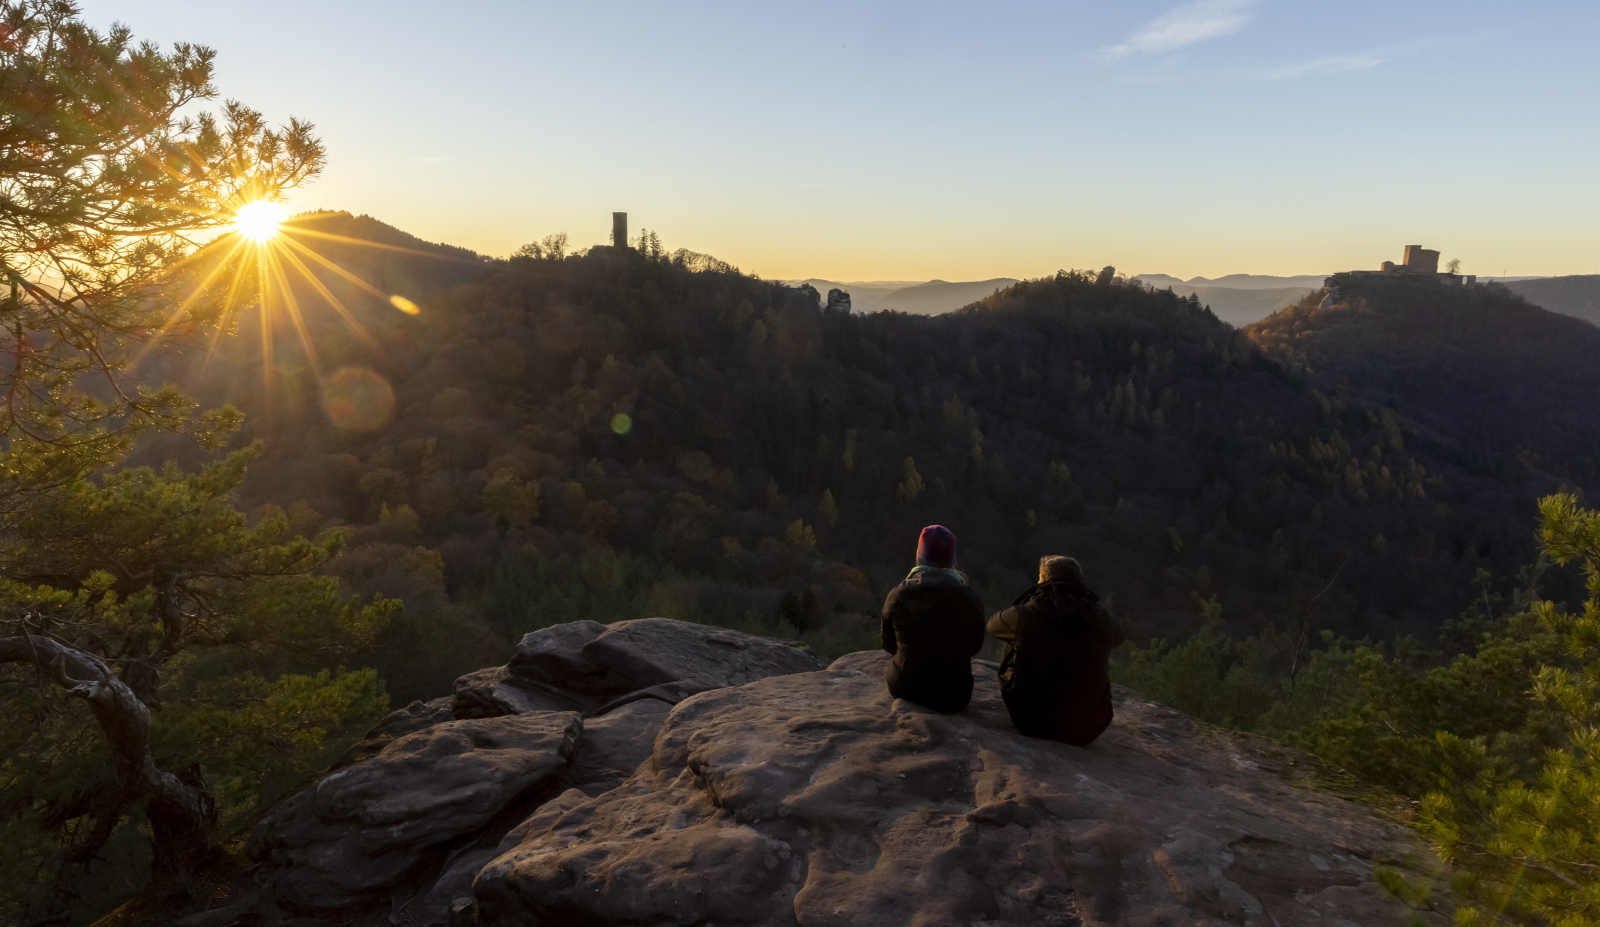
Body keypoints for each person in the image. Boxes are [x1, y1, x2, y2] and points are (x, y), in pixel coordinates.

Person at [986, 555, 1124, 746]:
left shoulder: (1024, 614)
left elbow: (992, 626)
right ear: (1079, 581)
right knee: (1096, 645)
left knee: (1013, 635)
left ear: (1042, 579)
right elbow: (1118, 638)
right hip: (1088, 729)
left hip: (1032, 722)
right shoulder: (1102, 619)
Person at [880, 525, 986, 713]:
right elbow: (974, 648)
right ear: (952, 559)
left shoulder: (897, 596)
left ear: (919, 556)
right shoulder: (971, 599)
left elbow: (889, 645)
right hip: (955, 695)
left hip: (906, 689)